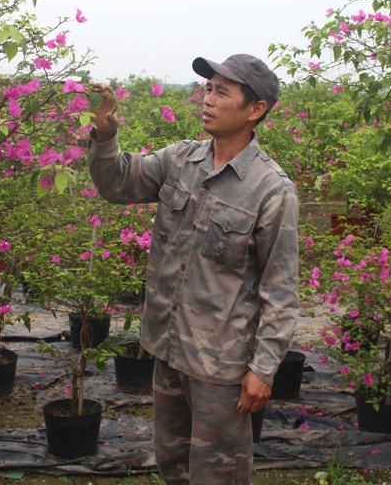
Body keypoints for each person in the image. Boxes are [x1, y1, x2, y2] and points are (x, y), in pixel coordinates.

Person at [87, 54, 300, 484]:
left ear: (255, 109)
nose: (207, 98)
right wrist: (106, 135)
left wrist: (263, 369)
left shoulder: (272, 190)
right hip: (167, 347)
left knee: (216, 474)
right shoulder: (180, 159)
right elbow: (118, 183)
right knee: (172, 463)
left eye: (222, 91)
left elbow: (280, 290)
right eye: (207, 88)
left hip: (221, 366)